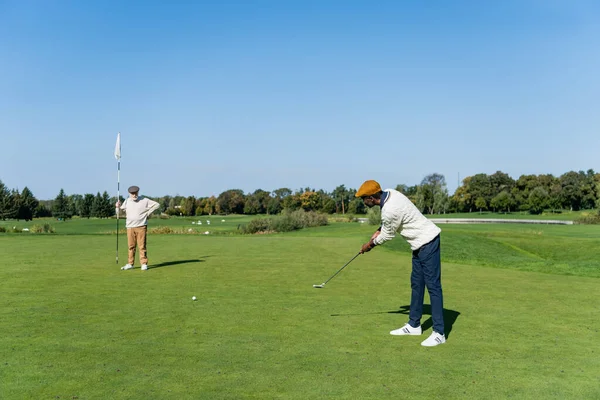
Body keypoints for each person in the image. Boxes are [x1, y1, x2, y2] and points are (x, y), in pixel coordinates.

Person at [356, 180, 446, 347]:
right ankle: (414, 325)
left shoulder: (390, 210)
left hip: (428, 241)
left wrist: (368, 246)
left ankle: (439, 332)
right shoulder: (390, 193)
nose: (363, 202)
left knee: (433, 286)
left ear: (371, 197)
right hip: (418, 244)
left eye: (363, 199)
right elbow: (385, 225)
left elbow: (387, 235)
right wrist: (378, 229)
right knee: (417, 284)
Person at [116, 185, 160, 271]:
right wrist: (117, 207)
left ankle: (143, 264)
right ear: (129, 193)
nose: (134, 195)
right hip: (130, 227)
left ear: (138, 192)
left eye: (135, 193)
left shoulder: (144, 200)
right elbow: (120, 213)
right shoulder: (127, 201)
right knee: (131, 246)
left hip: (141, 226)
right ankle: (130, 264)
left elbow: (157, 205)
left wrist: (148, 213)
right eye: (132, 193)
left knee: (142, 246)